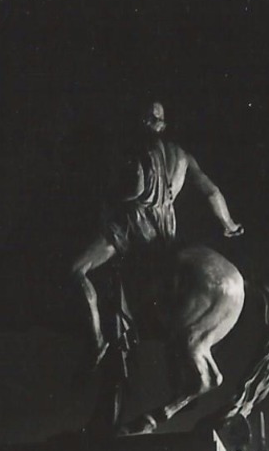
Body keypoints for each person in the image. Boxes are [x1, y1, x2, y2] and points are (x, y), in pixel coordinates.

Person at [71, 100, 244, 365]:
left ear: (143, 122)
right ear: (162, 124)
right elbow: (211, 192)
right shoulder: (182, 156)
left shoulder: (137, 150)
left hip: (131, 226)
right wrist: (229, 224)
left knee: (77, 270)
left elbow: (137, 189)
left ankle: (96, 341)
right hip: (165, 230)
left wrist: (110, 196)